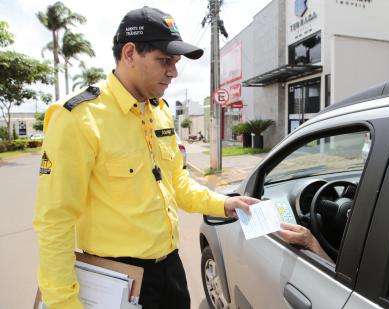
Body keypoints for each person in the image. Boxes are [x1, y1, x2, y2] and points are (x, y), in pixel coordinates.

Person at [33, 7, 258, 309]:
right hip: (116, 278)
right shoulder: (78, 118)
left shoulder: (160, 110)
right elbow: (54, 222)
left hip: (170, 271)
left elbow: (177, 183)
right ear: (129, 53)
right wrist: (63, 304)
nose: (173, 72)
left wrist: (223, 203)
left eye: (175, 63)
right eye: (164, 61)